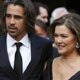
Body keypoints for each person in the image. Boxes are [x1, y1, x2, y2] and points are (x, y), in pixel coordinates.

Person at [0, 0, 53, 80]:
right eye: (8, 16)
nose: (11, 22)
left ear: (28, 19)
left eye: (17, 17)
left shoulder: (44, 45)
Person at [48, 13, 80, 80]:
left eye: (64, 36)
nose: (58, 41)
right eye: (56, 35)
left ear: (77, 38)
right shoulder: (48, 64)